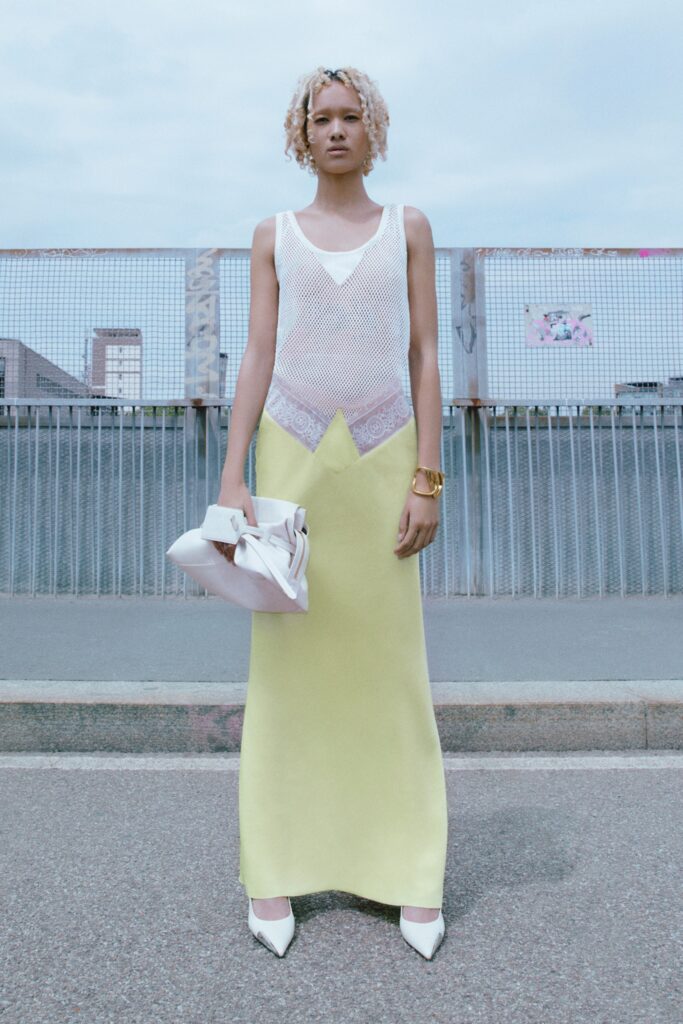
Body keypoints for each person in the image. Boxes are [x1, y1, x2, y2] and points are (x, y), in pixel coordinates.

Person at [212, 65, 448, 960]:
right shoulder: (272, 234)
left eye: (352, 117)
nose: (337, 130)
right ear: (300, 132)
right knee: (288, 668)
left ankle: (409, 869)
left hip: (385, 460)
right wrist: (232, 478)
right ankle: (272, 867)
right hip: (290, 457)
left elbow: (426, 356)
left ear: (374, 129)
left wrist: (427, 477)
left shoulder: (409, 229)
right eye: (323, 118)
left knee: (391, 668)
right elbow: (258, 354)